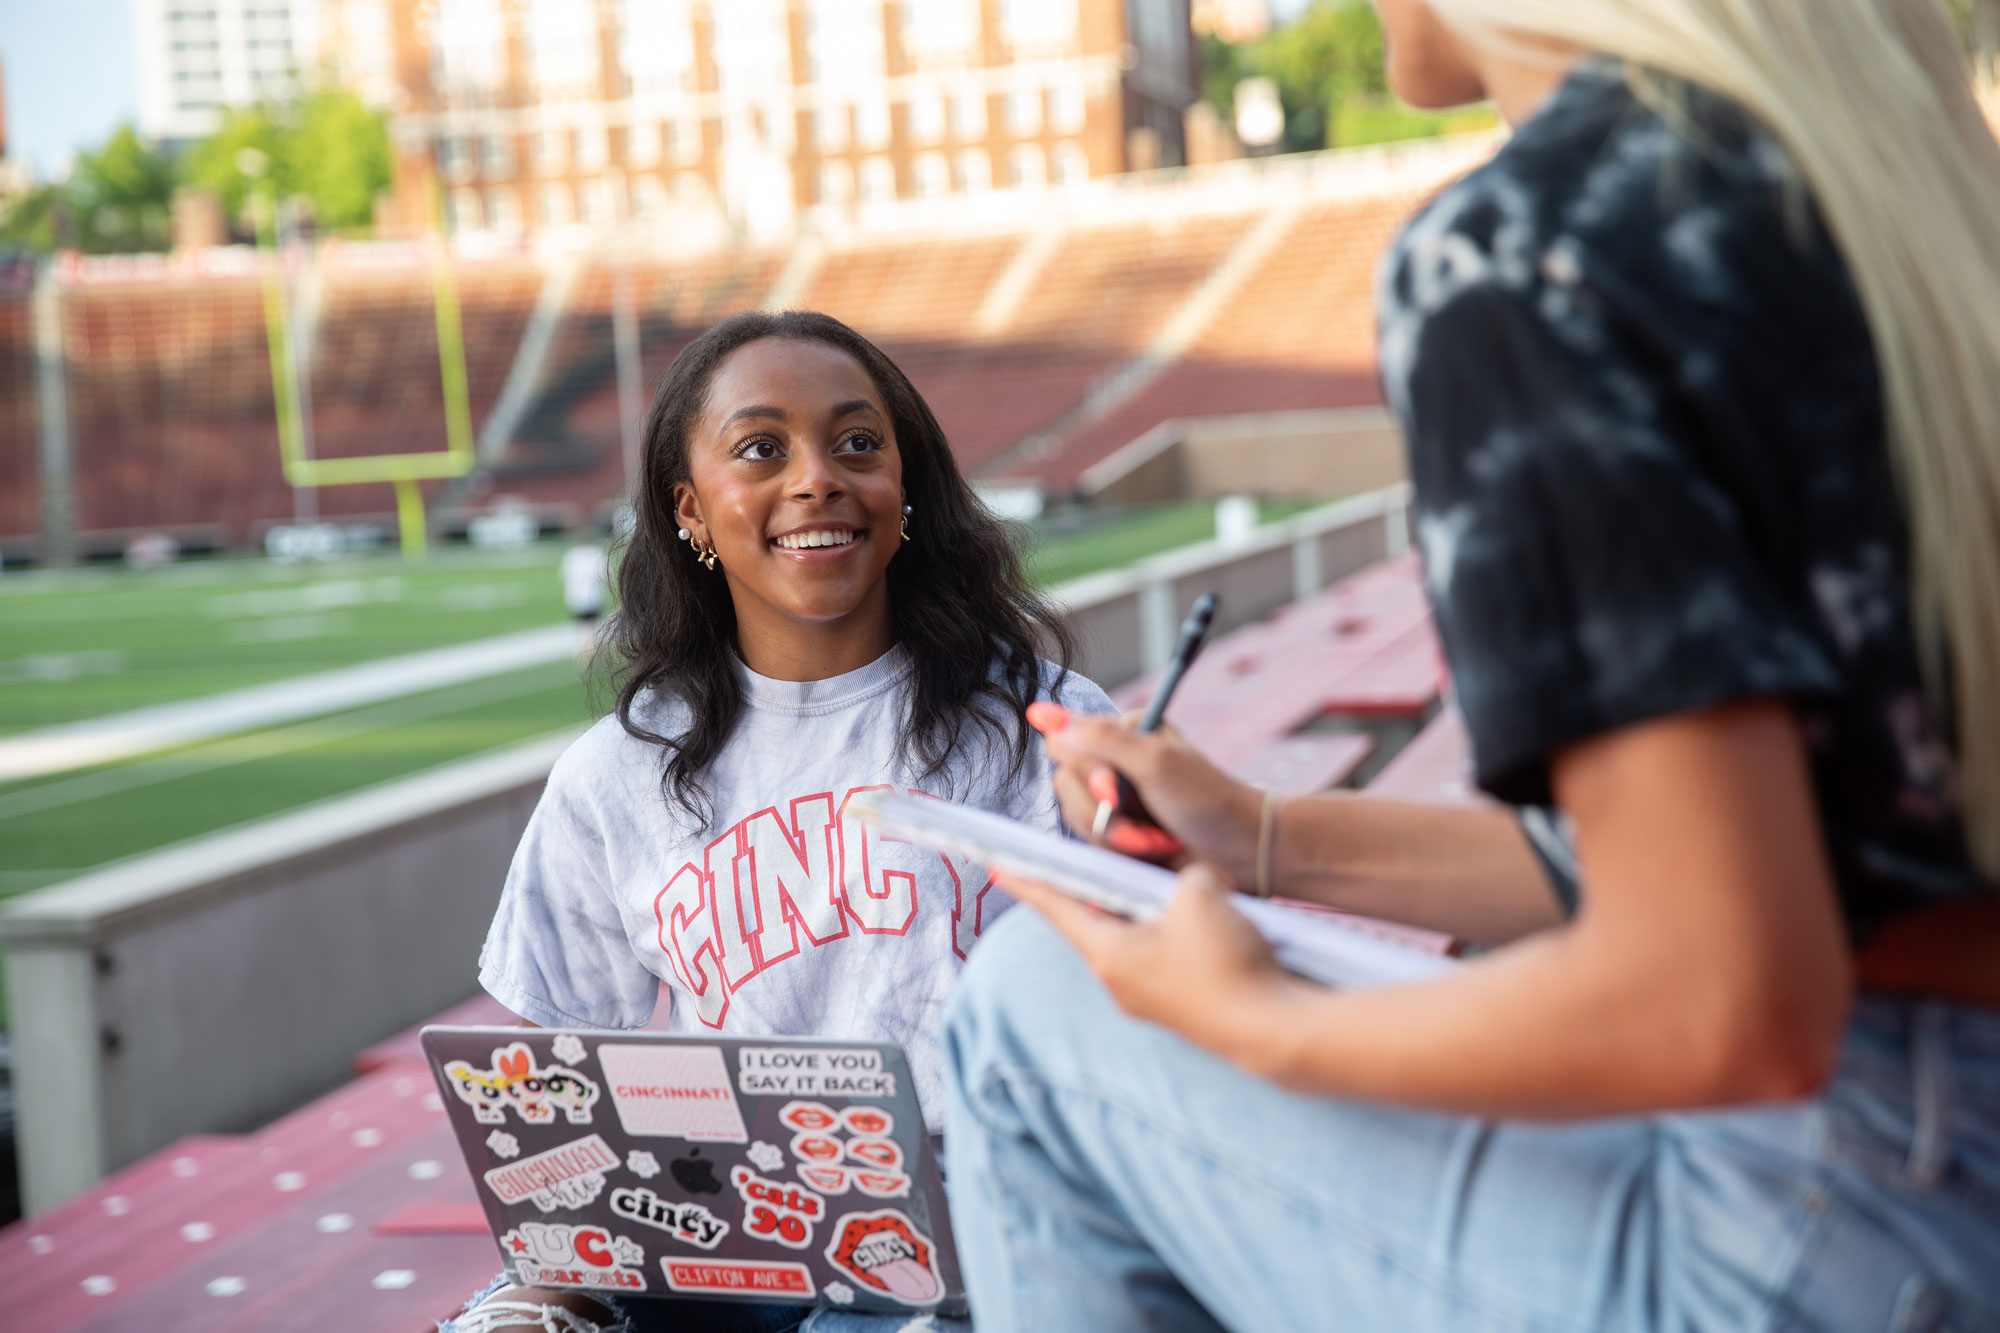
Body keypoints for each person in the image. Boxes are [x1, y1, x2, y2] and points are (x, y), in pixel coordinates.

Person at [941, 2, 2000, 1329]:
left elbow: (1731, 996)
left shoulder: (1524, 249)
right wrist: (1265, 836)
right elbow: (1748, 877)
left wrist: (1255, 1021)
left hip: (1837, 1221)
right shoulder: (1877, 185)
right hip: (1940, 1148)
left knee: (1028, 1011)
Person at [442, 311, 1114, 1333]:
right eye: (761, 448)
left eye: (857, 443)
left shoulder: (1044, 729)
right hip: (723, 1247)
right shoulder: (613, 776)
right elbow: (556, 1110)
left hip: (979, 1246)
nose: (816, 479)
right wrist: (551, 1281)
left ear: (906, 489)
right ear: (690, 511)